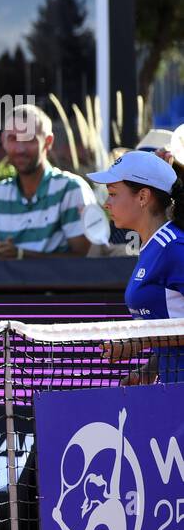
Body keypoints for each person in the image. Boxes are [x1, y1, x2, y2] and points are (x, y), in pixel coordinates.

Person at [88, 149, 184, 385]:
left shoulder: (174, 247)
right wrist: (150, 369)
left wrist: (140, 342)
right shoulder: (154, 247)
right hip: (172, 392)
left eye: (112, 194)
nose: (106, 203)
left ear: (142, 197)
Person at [0, 105, 100, 260]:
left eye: (29, 139)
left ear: (48, 142)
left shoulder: (71, 189)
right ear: (3, 141)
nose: (20, 149)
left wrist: (21, 255)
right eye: (13, 139)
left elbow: (83, 262)